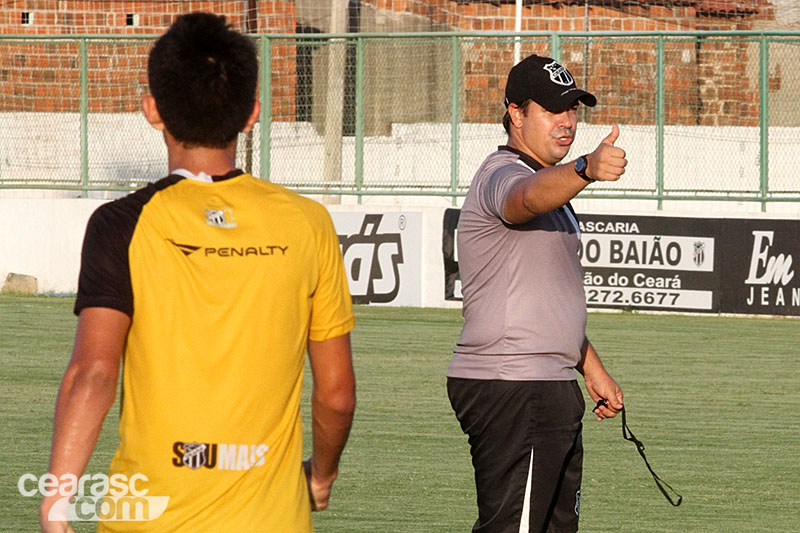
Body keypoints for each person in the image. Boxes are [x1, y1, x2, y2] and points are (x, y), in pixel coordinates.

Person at [40, 12, 355, 532]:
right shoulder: (308, 223)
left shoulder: (120, 223)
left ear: (153, 110)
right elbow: (336, 392)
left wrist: (57, 501)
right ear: (252, 114)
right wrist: (322, 475)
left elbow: (92, 373)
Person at [447, 54, 627, 532]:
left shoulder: (556, 190)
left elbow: (549, 295)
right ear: (516, 113)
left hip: (545, 382)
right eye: (550, 109)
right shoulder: (501, 172)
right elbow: (523, 199)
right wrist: (585, 167)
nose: (566, 121)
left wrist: (593, 368)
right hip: (513, 383)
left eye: (572, 109)